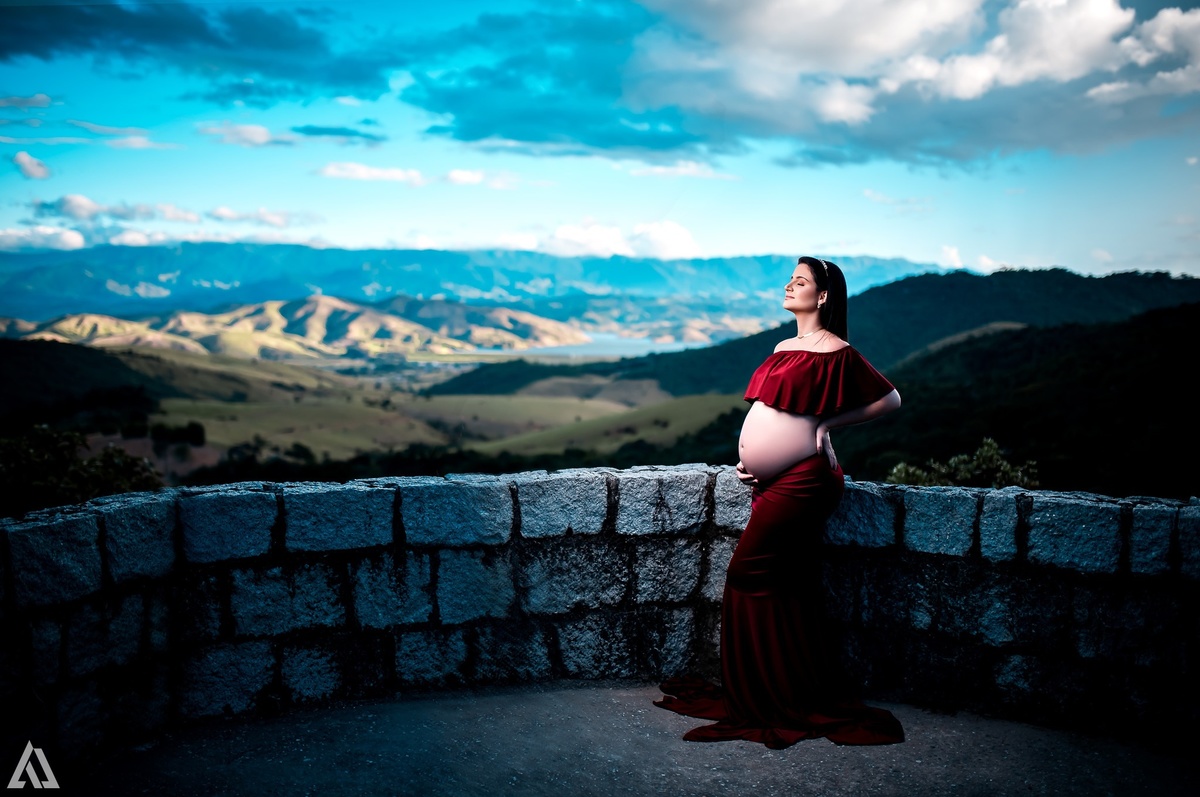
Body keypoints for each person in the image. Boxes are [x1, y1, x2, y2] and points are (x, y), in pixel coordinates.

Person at [654, 256, 905, 749]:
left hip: (806, 481)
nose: (790, 285)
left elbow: (890, 399)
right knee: (785, 583)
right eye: (790, 278)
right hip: (772, 481)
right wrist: (754, 461)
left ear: (823, 295)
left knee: (747, 575)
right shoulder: (783, 347)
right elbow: (772, 413)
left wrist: (826, 425)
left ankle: (765, 697)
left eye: (801, 280)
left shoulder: (837, 350)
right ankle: (777, 688)